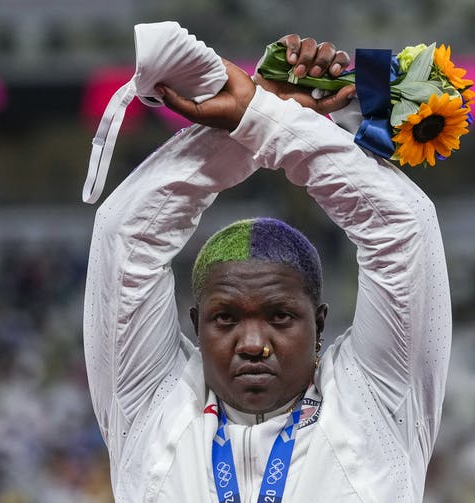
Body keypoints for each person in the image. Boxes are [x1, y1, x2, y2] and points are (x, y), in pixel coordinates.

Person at [83, 34, 451, 502]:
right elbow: (127, 233)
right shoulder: (150, 402)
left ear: (318, 322)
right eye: (225, 319)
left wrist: (259, 117)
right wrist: (262, 115)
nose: (253, 345)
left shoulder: (377, 402)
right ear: (196, 325)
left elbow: (404, 228)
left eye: (279, 317)